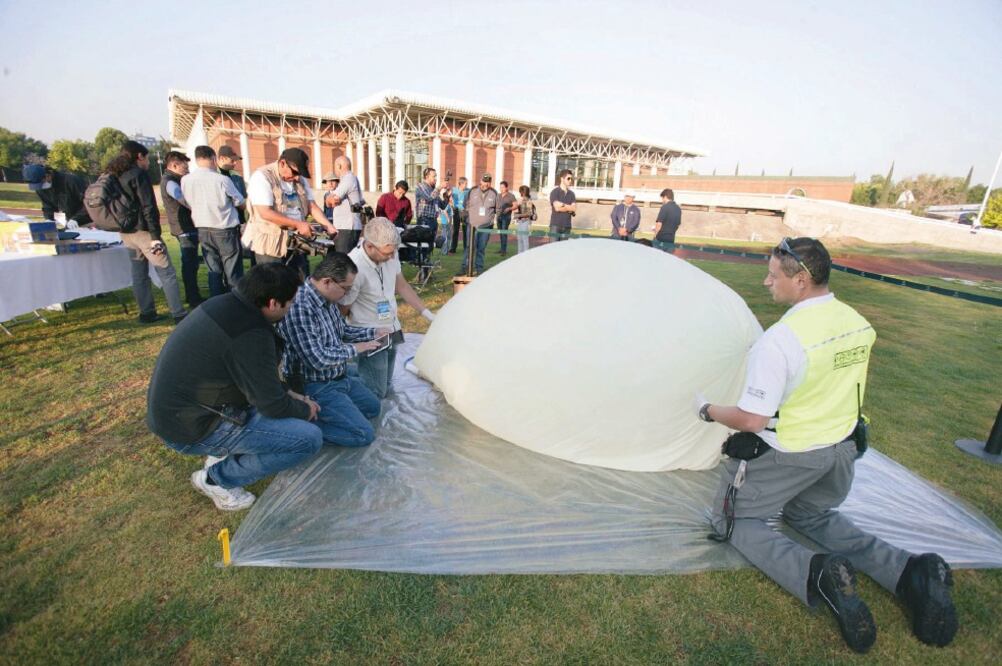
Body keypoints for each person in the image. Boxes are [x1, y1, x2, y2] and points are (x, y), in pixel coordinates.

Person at [695, 237, 957, 653]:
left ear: (800, 280)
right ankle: (910, 572)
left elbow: (752, 419)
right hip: (842, 453)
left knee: (732, 521)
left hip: (794, 454)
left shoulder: (780, 341)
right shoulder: (856, 322)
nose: (766, 282)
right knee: (809, 514)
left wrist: (708, 410)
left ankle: (815, 572)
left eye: (773, 275)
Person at [147, 263, 323, 511]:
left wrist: (290, 393)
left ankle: (221, 455)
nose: (292, 308)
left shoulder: (227, 304)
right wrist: (305, 409)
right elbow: (271, 405)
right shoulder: (251, 334)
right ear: (273, 303)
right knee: (308, 438)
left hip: (180, 413)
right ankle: (216, 479)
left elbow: (255, 378)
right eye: (291, 303)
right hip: (191, 428)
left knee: (287, 415)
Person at [279, 253, 392, 447]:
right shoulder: (300, 307)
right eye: (346, 288)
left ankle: (331, 412)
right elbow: (317, 360)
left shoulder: (327, 299)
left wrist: (374, 333)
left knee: (373, 407)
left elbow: (343, 331)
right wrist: (356, 349)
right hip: (314, 384)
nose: (347, 294)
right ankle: (301, 427)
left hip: (338, 376)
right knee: (363, 435)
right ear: (327, 282)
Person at [342, 218, 436, 399]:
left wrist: (426, 313)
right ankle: (344, 382)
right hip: (369, 334)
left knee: (385, 384)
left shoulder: (390, 252)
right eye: (388, 253)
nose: (392, 257)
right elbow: (343, 309)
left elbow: (402, 286)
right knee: (375, 391)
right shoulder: (354, 267)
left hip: (391, 327)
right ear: (370, 246)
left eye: (394, 251)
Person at [106, 140, 186, 324]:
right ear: (139, 156)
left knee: (139, 274)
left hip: (125, 232)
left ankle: (147, 312)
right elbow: (148, 206)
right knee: (166, 272)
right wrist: (155, 236)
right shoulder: (138, 174)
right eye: (147, 158)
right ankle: (178, 313)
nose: (148, 162)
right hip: (143, 231)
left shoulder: (114, 174)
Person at [243, 147, 336, 274]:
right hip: (270, 244)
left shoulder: (299, 179)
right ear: (282, 163)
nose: (297, 178)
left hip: (297, 242)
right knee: (273, 281)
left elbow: (311, 205)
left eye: (300, 174)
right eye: (295, 172)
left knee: (300, 279)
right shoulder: (262, 177)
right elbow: (265, 212)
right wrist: (298, 224)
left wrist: (328, 225)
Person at [181, 145, 246, 296]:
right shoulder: (222, 179)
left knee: (213, 270)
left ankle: (217, 300)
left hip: (203, 228)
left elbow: (187, 201)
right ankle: (235, 300)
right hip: (224, 228)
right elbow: (240, 202)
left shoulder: (186, 180)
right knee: (232, 270)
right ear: (213, 158)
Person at [159, 151, 204, 308]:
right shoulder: (170, 182)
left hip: (184, 226)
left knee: (191, 262)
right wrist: (198, 209)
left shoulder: (172, 179)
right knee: (190, 264)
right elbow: (181, 199)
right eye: (185, 166)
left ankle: (192, 295)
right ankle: (193, 297)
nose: (187, 169)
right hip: (184, 227)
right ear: (174, 165)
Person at [217, 145, 253, 267]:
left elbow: (244, 198)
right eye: (232, 160)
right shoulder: (215, 176)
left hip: (238, 222)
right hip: (223, 223)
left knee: (237, 255)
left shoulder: (237, 176)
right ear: (222, 158)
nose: (235, 163)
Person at [22, 164, 92, 227]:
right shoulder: (41, 188)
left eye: (42, 183)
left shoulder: (71, 181)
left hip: (87, 221)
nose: (41, 188)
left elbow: (89, 203)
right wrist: (49, 219)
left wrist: (77, 219)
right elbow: (47, 206)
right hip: (68, 223)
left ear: (48, 175)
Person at [458, 173, 499, 276]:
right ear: (480, 181)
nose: (485, 184)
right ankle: (465, 267)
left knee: (481, 248)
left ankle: (479, 268)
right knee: (469, 247)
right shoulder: (472, 191)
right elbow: (465, 205)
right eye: (484, 181)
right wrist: (465, 216)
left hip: (486, 227)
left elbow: (497, 209)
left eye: (488, 182)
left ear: (490, 183)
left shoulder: (494, 193)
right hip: (472, 226)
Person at [325, 156, 364, 254]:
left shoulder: (348, 178)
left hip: (347, 227)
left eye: (335, 167)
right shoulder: (350, 179)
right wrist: (329, 200)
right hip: (347, 226)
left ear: (339, 166)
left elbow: (333, 199)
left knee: (343, 259)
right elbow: (330, 202)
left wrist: (328, 199)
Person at [414, 167, 449, 238]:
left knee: (431, 243)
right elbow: (429, 197)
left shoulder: (434, 190)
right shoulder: (420, 186)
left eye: (436, 176)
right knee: (424, 243)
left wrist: (447, 195)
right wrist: (440, 187)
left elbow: (443, 206)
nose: (436, 178)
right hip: (424, 220)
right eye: (434, 176)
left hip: (434, 220)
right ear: (427, 176)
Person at [549, 169, 576, 241]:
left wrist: (562, 204)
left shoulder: (572, 194)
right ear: (562, 179)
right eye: (568, 178)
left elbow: (573, 209)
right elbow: (557, 208)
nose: (570, 180)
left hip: (567, 226)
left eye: (571, 179)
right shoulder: (555, 192)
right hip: (555, 226)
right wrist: (568, 208)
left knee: (563, 248)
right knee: (553, 247)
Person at [654, 188, 682, 252]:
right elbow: (678, 225)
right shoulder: (678, 209)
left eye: (662, 198)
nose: (662, 200)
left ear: (665, 197)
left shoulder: (665, 207)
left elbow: (659, 223)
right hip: (671, 239)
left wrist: (655, 236)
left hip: (660, 238)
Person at [449, 176, 470, 254]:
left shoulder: (468, 191)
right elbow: (447, 196)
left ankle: (466, 248)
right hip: (456, 211)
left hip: (465, 212)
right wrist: (451, 204)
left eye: (466, 184)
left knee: (465, 231)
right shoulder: (454, 190)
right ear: (460, 184)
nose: (466, 185)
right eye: (465, 184)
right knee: (455, 231)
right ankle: (453, 248)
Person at [513, 185, 536, 254]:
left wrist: (518, 215)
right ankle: (519, 255)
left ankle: (526, 255)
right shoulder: (522, 200)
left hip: (525, 222)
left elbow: (529, 213)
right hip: (520, 221)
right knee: (519, 239)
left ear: (523, 192)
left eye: (520, 191)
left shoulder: (528, 200)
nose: (519, 193)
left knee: (524, 239)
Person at [496, 181, 516, 256]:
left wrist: (509, 208)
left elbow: (515, 205)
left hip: (506, 217)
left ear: (507, 187)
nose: (501, 189)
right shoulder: (498, 195)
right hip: (499, 216)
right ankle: (502, 249)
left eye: (503, 187)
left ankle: (504, 251)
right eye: (500, 187)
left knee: (504, 233)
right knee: (501, 233)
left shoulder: (511, 196)